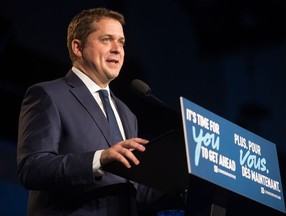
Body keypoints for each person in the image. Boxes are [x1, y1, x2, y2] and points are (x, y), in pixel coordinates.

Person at [17, 7, 182, 216]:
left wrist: (184, 187)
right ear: (78, 47)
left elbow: (132, 190)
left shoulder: (126, 114)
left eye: (121, 42)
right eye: (106, 40)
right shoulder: (48, 95)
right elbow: (31, 168)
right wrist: (99, 159)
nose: (117, 49)